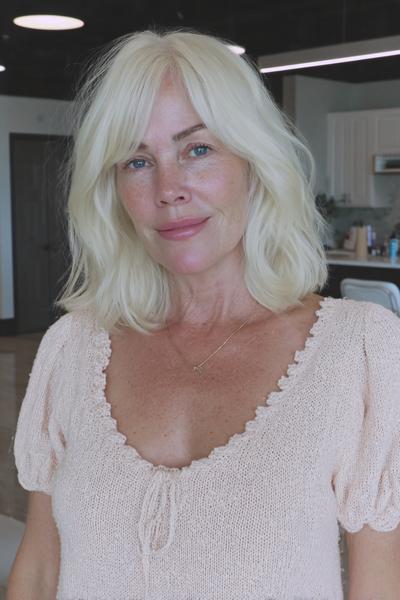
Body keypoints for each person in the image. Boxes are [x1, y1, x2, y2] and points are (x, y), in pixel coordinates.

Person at [8, 27, 400, 600]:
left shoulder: (359, 351)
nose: (169, 188)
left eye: (198, 149)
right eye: (137, 161)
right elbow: (40, 571)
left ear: (254, 163)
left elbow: (380, 585)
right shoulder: (71, 347)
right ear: (113, 189)